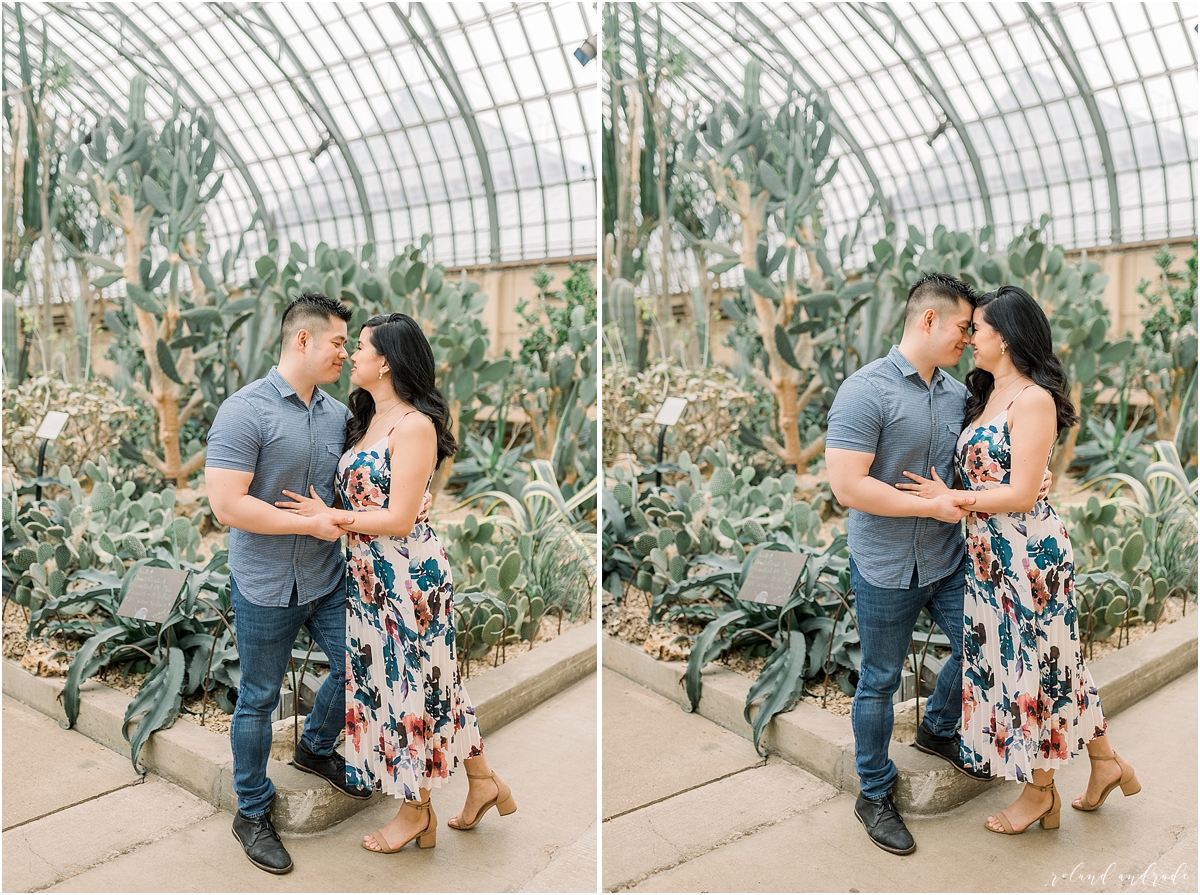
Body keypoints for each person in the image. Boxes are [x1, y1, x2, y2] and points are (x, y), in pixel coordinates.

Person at [894, 285, 1139, 835]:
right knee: (1053, 664)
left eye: (976, 329)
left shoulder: (1033, 399)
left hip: (1029, 556)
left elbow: (1025, 493)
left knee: (1036, 668)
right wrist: (952, 488)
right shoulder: (983, 398)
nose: (969, 338)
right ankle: (1104, 763)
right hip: (988, 557)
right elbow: (992, 476)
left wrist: (952, 502)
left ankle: (1040, 794)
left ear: (1003, 338)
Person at [278, 312, 515, 853]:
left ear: (385, 361)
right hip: (368, 576)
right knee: (427, 684)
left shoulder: (413, 425)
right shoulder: (364, 423)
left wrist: (335, 518)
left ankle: (415, 812)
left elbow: (401, 519)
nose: (351, 355)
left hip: (409, 577)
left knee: (410, 688)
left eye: (359, 346)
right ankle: (482, 782)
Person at [825, 272, 991, 856]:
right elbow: (848, 487)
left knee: (983, 646)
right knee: (879, 680)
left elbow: (971, 470)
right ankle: (873, 791)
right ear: (929, 320)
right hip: (883, 565)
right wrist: (938, 504)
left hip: (945, 561)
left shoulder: (958, 395)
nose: (969, 339)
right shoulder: (864, 390)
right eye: (964, 327)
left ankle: (936, 729)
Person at [206, 293, 367, 875]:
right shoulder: (243, 411)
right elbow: (227, 505)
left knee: (361, 665)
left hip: (325, 580)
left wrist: (338, 516)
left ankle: (315, 748)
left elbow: (349, 492)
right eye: (337, 342)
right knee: (258, 698)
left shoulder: (339, 416)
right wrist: (309, 521)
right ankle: (250, 810)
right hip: (264, 585)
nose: (344, 355)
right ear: (303, 339)